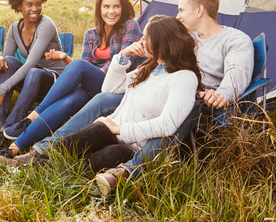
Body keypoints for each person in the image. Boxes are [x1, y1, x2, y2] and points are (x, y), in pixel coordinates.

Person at [0, 0, 254, 182]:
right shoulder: (186, 38)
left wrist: (222, 94)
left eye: (181, 9)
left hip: (200, 102)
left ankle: (125, 168)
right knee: (100, 99)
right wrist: (126, 60)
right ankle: (40, 149)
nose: (178, 15)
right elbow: (158, 67)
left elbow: (235, 75)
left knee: (94, 97)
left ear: (199, 10)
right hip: (157, 90)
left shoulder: (234, 39)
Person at [44, 15, 203, 197]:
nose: (140, 41)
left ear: (160, 45)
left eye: (145, 37)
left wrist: (119, 129)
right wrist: (123, 56)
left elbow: (168, 124)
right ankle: (36, 159)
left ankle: (76, 177)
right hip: (110, 132)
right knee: (73, 144)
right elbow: (109, 88)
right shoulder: (148, 69)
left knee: (92, 161)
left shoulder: (183, 77)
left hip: (131, 146)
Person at [0, 0, 141, 166]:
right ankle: (15, 148)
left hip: (117, 85)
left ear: (123, 8)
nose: (111, 11)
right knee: (67, 102)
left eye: (116, 6)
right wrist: (66, 59)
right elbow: (84, 67)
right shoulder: (91, 34)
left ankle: (32, 117)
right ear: (99, 8)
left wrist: (78, 65)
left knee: (78, 66)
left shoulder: (131, 26)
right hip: (94, 86)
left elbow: (117, 64)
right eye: (106, 7)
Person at [0, 0, 67, 151]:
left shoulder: (46, 25)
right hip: (34, 79)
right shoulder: (14, 29)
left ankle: (9, 128)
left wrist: (1, 90)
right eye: (29, 5)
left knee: (32, 71)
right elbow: (6, 59)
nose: (35, 9)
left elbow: (30, 63)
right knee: (8, 61)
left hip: (56, 82)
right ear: (19, 6)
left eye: (38, 3)